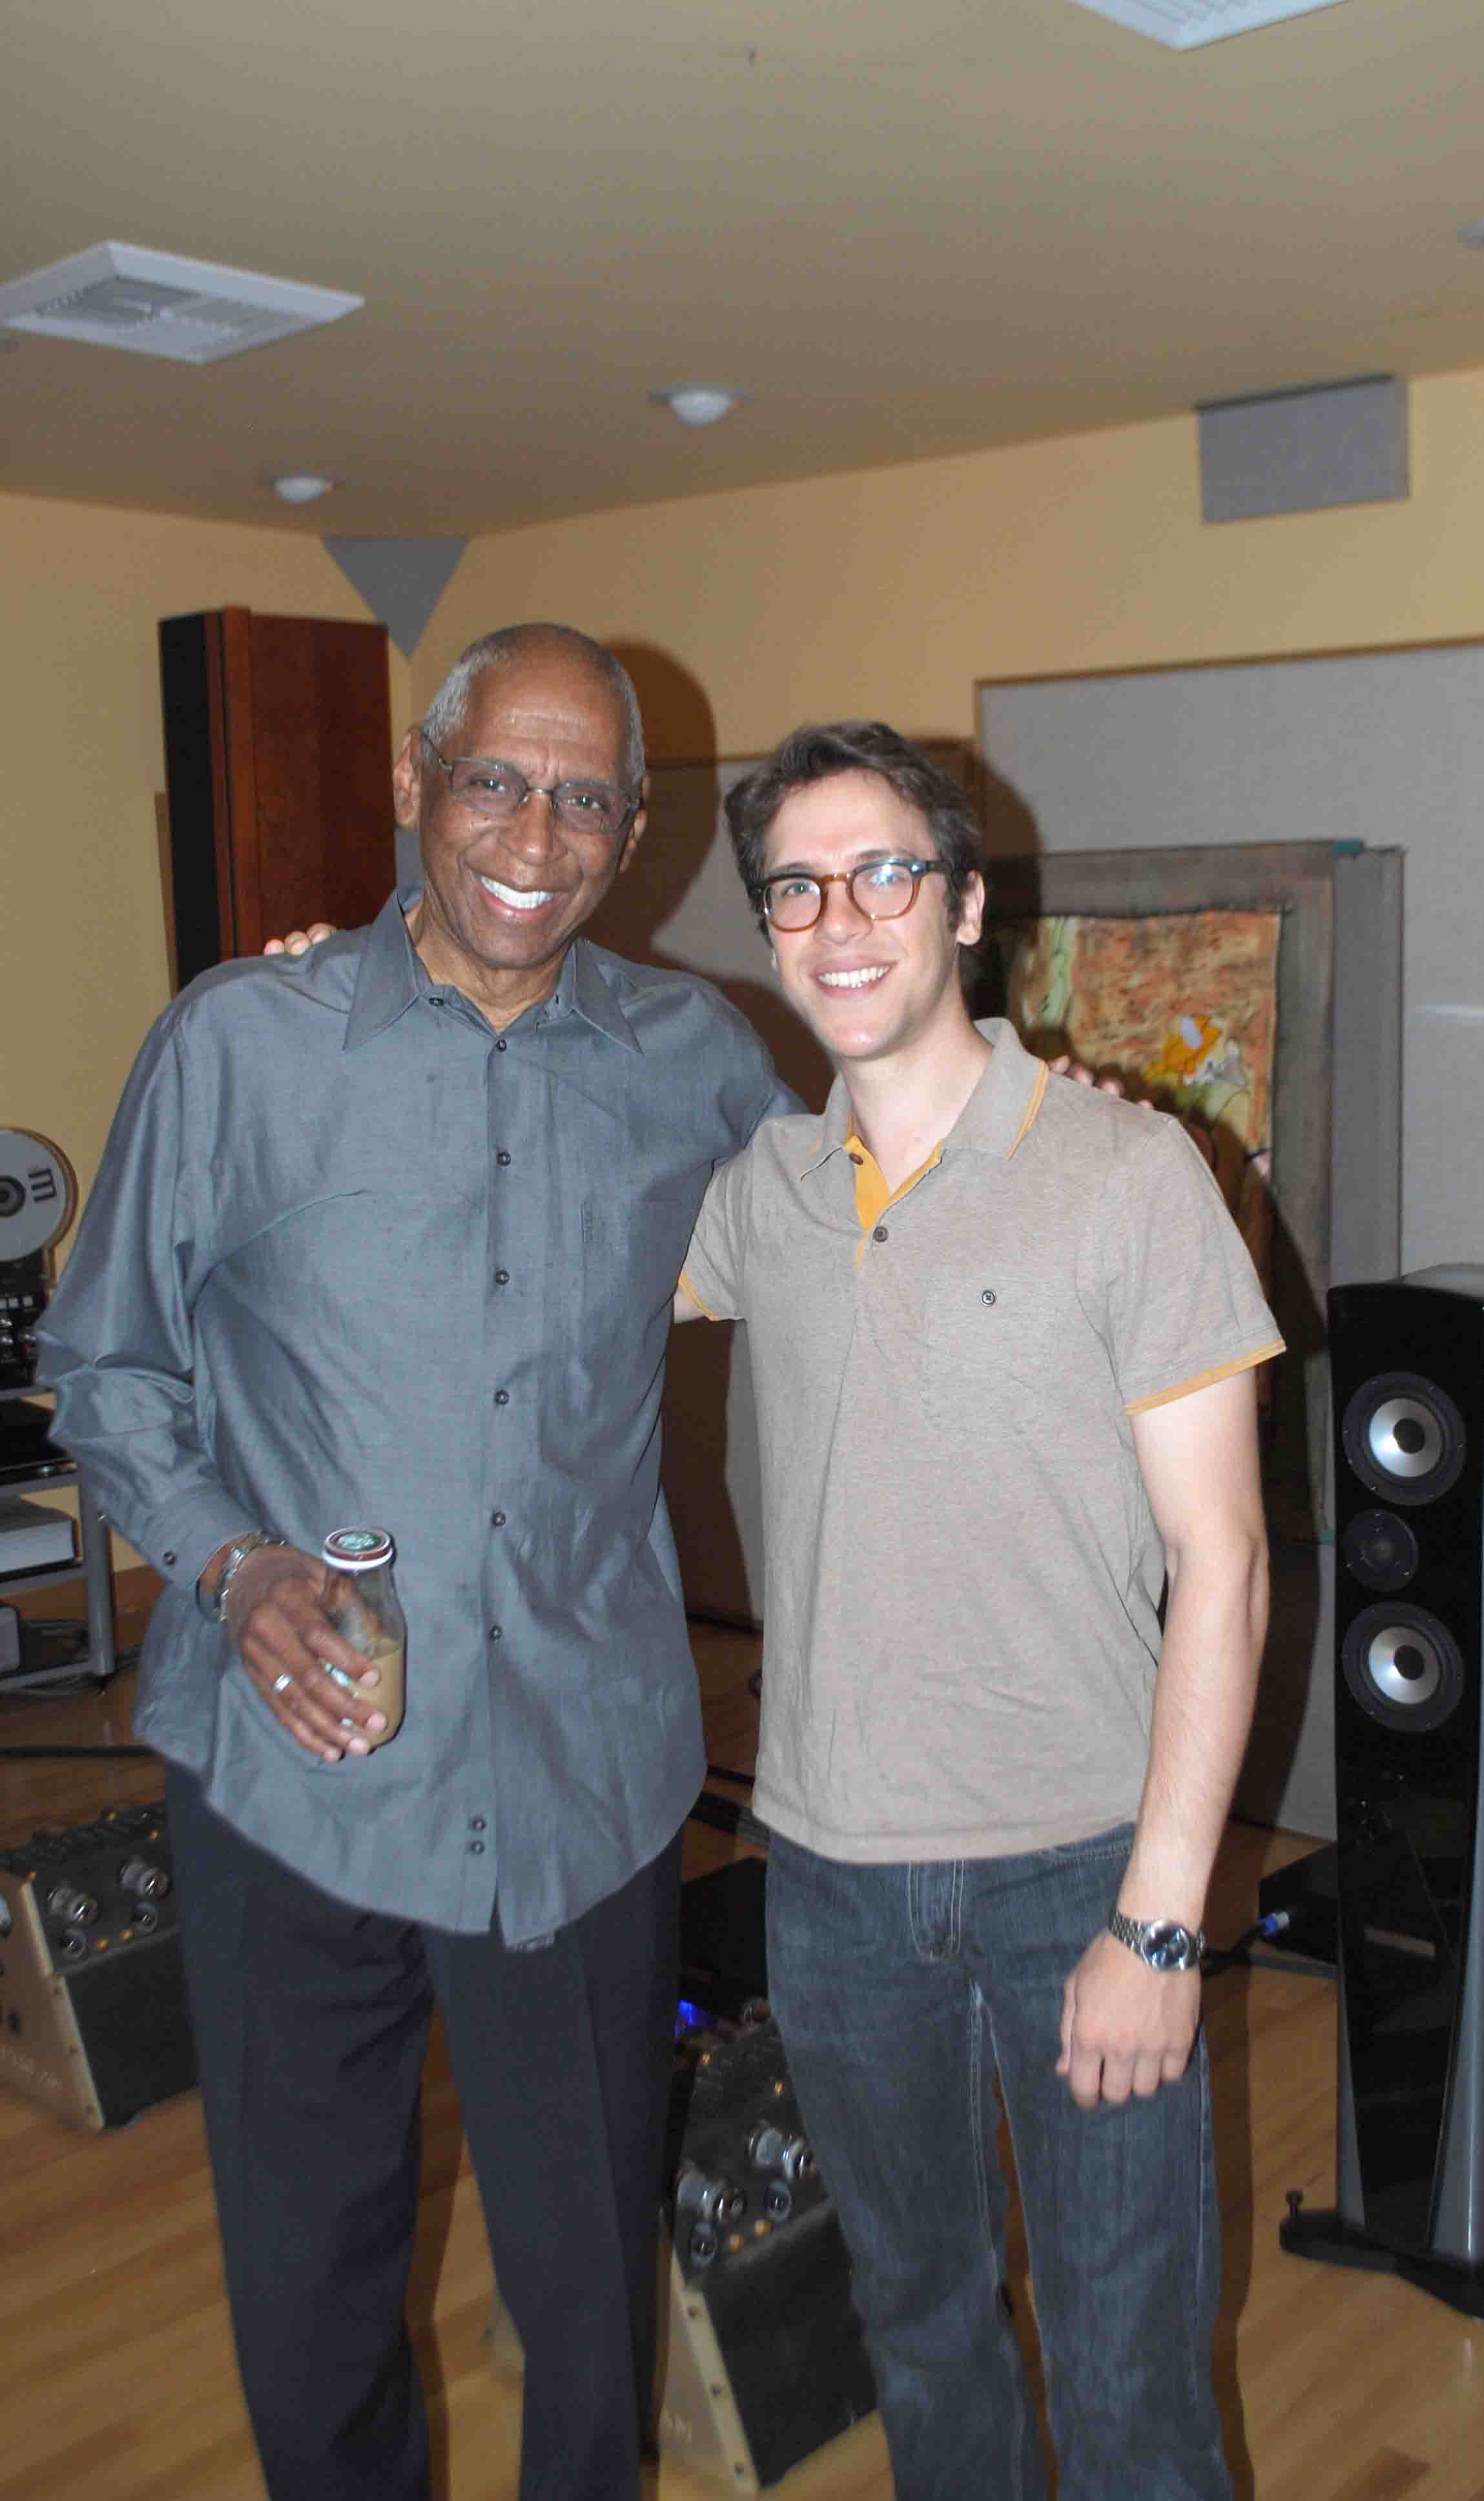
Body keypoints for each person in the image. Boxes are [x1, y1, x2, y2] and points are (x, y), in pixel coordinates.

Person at [37, 624, 801, 2501]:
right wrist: (229, 1566)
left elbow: (872, 1245)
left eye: (584, 799)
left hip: (577, 1778)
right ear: (413, 783)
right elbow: (105, 1364)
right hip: (293, 1777)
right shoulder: (240, 1046)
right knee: (311, 2298)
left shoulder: (698, 1062)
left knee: (589, 2304)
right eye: (495, 781)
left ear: (633, 835)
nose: (534, 836)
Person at [671, 722, 1282, 2501]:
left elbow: (1228, 1566)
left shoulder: (1128, 1175)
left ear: (962, 906)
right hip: (831, 1882)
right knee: (922, 2333)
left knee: (1129, 2368)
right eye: (797, 887)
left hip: (1078, 1872)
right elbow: (533, 1229)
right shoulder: (762, 1195)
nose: (840, 920)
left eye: (885, 873)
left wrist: (1159, 1920)